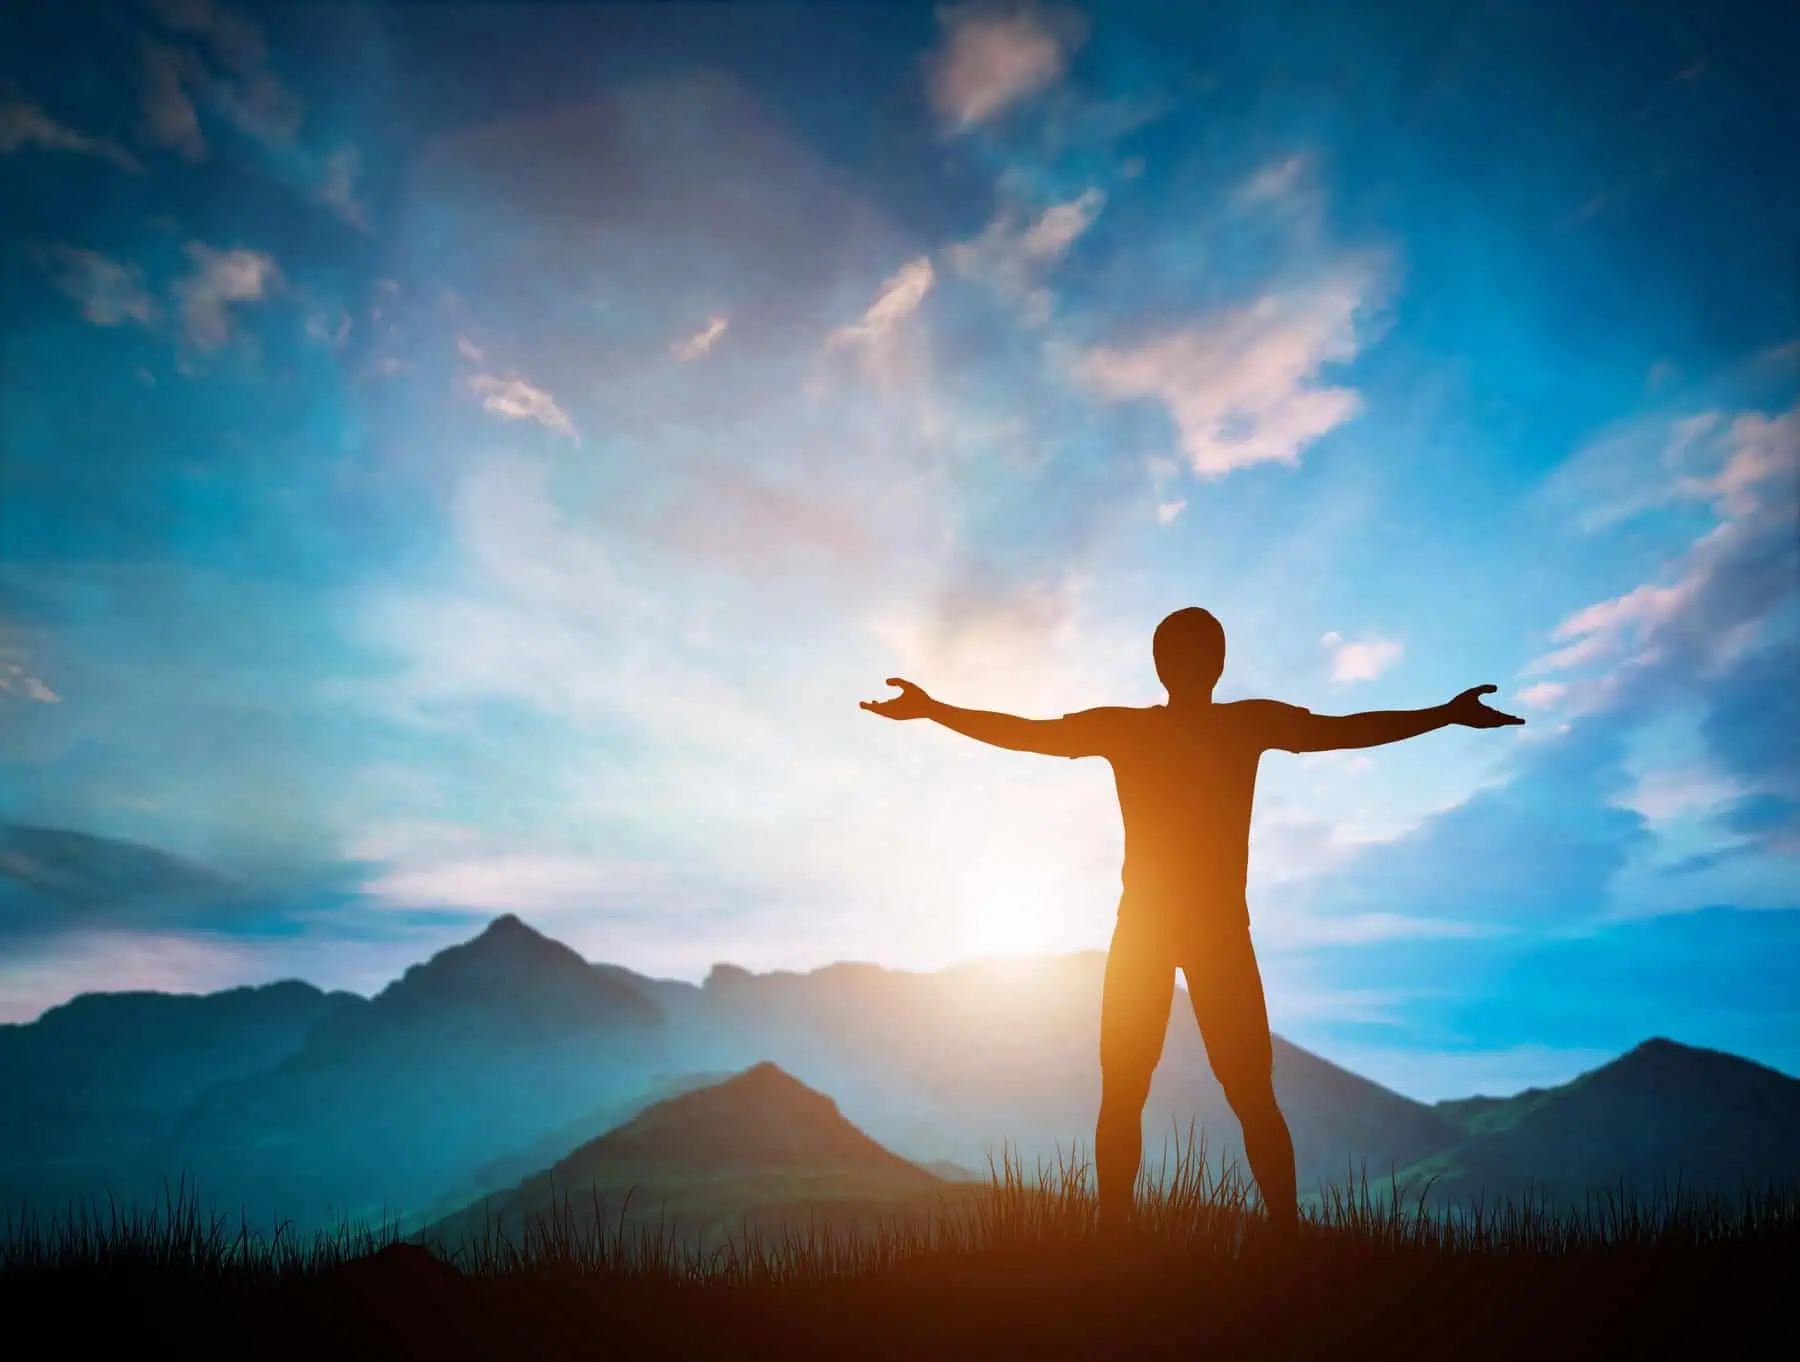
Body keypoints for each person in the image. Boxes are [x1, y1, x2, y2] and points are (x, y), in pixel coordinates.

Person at [860, 606, 1523, 1235]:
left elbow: (1031, 735)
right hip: (1201, 932)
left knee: (1140, 1089)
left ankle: (1129, 1237)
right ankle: (1265, 1235)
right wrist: (1443, 715)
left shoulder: (1139, 728)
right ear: (1217, 664)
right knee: (1227, 1091)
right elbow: (1342, 730)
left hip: (1159, 930)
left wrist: (934, 710)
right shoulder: (1239, 724)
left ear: (1161, 665)